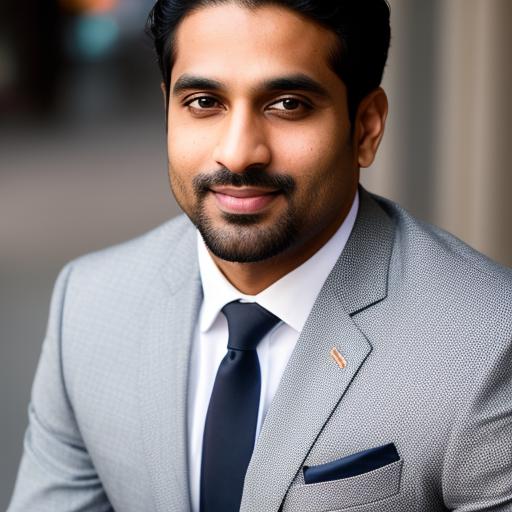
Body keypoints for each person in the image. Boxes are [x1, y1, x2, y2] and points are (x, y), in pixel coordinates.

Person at [8, 0, 512, 511]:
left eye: (288, 104)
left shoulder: (487, 343)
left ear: (365, 128)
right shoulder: (87, 305)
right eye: (204, 102)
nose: (239, 152)